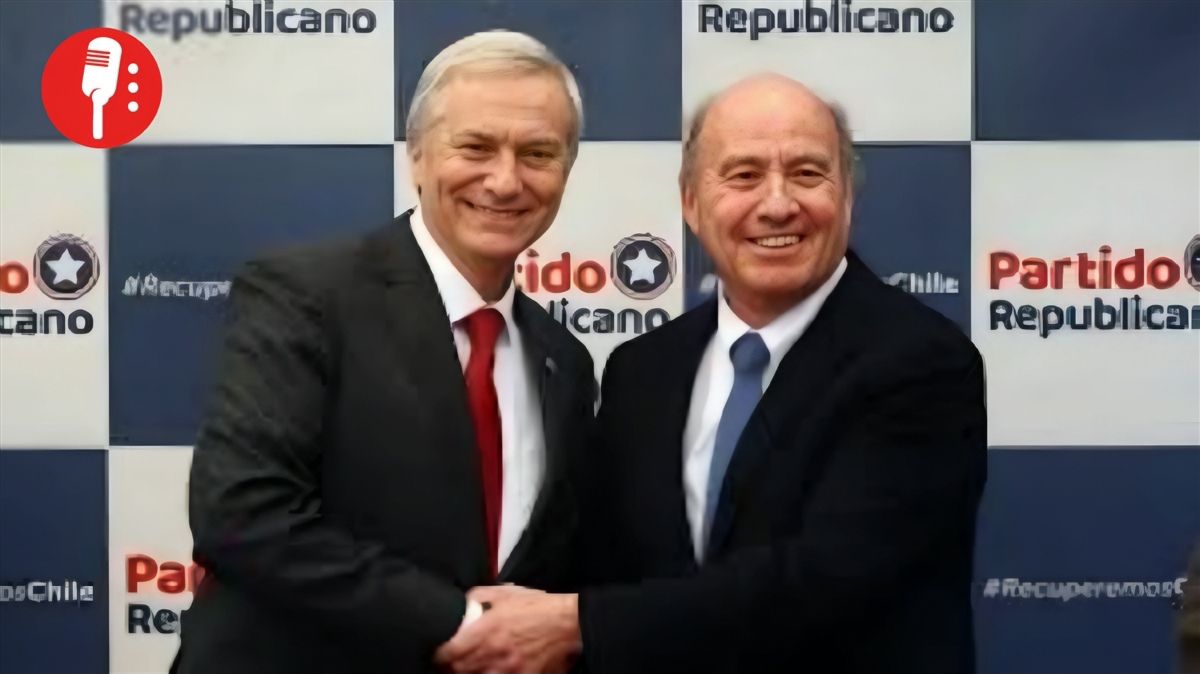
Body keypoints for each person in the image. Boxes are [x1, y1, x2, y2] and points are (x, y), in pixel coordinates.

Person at [435, 72, 988, 673]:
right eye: (743, 175)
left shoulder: (922, 362)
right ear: (691, 202)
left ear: (847, 196)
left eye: (807, 174)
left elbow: (831, 578)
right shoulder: (642, 371)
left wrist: (576, 625)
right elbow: (605, 562)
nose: (777, 204)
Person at [170, 29, 595, 674]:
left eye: (537, 153)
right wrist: (462, 623)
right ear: (417, 157)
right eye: (475, 147)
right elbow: (242, 516)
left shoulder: (565, 360)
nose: (506, 180)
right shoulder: (306, 294)